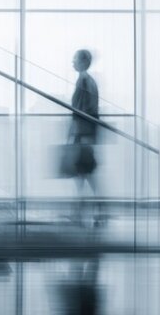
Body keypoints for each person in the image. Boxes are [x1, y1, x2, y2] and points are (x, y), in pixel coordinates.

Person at [67, 49, 105, 228]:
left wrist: (76, 134)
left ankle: (92, 212)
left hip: (84, 134)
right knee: (83, 175)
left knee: (85, 174)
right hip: (85, 134)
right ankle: (85, 212)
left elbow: (82, 110)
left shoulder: (84, 81)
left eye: (74, 59)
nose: (72, 62)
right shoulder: (87, 81)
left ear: (82, 62)